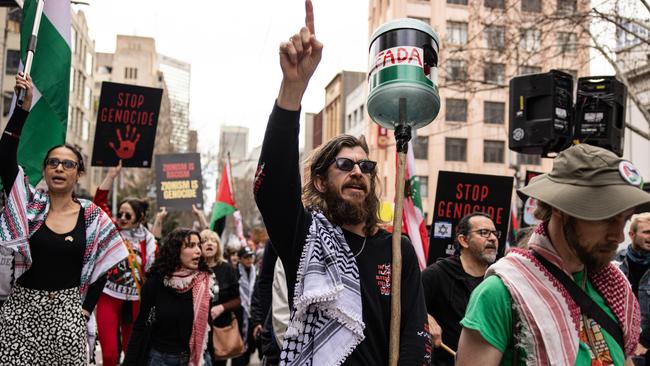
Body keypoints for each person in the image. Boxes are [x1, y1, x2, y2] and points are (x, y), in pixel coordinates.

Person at [253, 2, 431, 364]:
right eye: (345, 164)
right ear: (319, 181)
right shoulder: (306, 238)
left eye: (365, 166)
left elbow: (414, 333)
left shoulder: (397, 250)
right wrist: (292, 90)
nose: (358, 172)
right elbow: (271, 188)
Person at [456, 144, 650, 365]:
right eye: (606, 219)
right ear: (561, 208)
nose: (618, 236)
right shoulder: (499, 295)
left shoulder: (616, 287)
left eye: (624, 220)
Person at [0, 73, 128, 364]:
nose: (59, 168)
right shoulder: (28, 203)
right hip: (20, 315)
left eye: (67, 164)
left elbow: (104, 265)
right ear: (45, 170)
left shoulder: (93, 217)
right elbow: (4, 157)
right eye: (53, 163)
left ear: (77, 173)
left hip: (67, 318)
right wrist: (22, 109)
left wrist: (85, 310)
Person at [93, 162, 158, 366]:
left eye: (127, 215)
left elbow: (154, 270)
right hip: (108, 296)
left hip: (136, 301)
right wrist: (111, 176)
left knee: (132, 356)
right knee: (110, 355)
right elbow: (99, 202)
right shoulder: (111, 229)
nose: (121, 218)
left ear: (140, 217)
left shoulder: (149, 241)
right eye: (120, 214)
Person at [124, 228, 214, 366]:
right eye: (191, 246)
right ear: (175, 250)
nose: (198, 251)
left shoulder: (203, 283)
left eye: (198, 245)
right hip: (161, 360)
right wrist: (129, 362)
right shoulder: (156, 283)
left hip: (197, 360)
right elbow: (140, 325)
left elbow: (208, 328)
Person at [422, 212, 498, 365]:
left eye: (495, 233)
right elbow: (407, 304)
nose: (492, 238)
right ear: (463, 240)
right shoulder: (437, 274)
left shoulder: (499, 279)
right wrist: (426, 318)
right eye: (484, 232)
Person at [200, 229, 242, 366]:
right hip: (199, 331)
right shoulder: (195, 268)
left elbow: (238, 301)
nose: (209, 244)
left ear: (218, 246)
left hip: (221, 329)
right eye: (204, 241)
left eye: (213, 241)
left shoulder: (227, 269)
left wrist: (222, 308)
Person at [614, 212, 650, 360]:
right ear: (631, 234)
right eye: (647, 232)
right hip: (619, 342)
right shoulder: (614, 263)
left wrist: (644, 341)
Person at [232, 246, 258, 366]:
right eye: (246, 257)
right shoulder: (234, 272)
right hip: (239, 314)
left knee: (250, 346)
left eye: (250, 257)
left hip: (252, 314)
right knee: (238, 348)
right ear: (240, 259)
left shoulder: (255, 272)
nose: (249, 260)